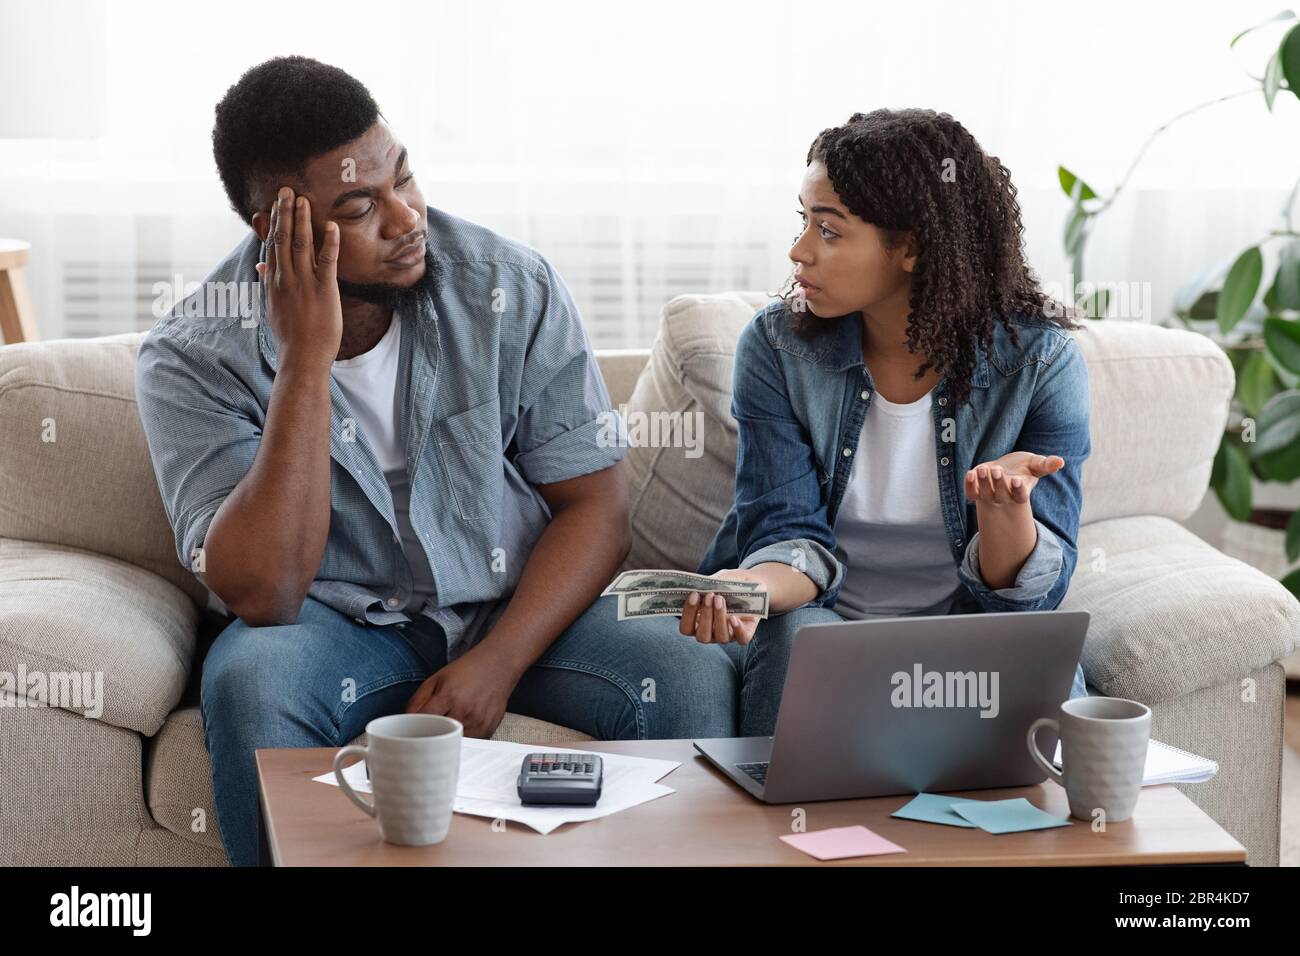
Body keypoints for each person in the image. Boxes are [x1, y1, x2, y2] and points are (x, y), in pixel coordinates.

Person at [135, 56, 736, 866]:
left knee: (683, 664)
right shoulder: (190, 357)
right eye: (360, 206)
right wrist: (307, 357)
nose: (405, 217)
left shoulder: (508, 286)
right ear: (274, 230)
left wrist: (497, 662)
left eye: (405, 179)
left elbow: (598, 512)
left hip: (515, 605)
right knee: (252, 681)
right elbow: (266, 591)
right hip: (338, 628)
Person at [688, 109, 1092, 736]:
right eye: (805, 222)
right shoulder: (776, 349)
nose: (798, 251)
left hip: (964, 630)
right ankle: (788, 828)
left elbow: (1031, 598)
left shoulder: (1041, 363)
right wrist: (747, 589)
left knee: (1044, 663)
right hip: (822, 619)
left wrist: (1006, 510)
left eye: (829, 230)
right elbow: (787, 530)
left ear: (910, 246)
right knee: (798, 643)